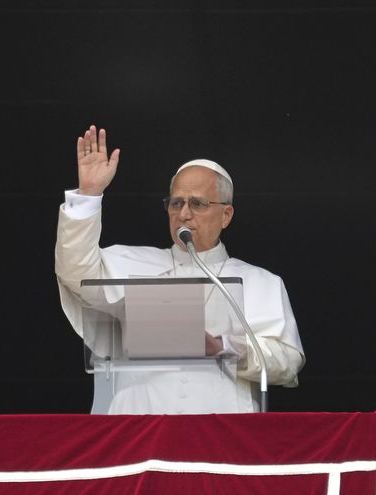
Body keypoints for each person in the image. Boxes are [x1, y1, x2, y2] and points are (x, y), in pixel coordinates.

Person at [55, 125, 304, 414]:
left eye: (197, 204)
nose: (184, 213)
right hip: (139, 427)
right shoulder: (132, 263)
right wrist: (88, 195)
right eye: (176, 203)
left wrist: (222, 346)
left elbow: (287, 362)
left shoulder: (263, 282)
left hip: (221, 430)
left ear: (226, 215)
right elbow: (75, 273)